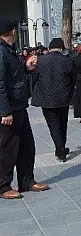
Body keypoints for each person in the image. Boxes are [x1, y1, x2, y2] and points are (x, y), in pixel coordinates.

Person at [0, 18, 49, 199]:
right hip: (9, 109)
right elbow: (0, 83)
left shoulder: (9, 51)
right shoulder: (1, 51)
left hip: (20, 106)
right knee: (7, 149)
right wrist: (4, 111)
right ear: (10, 32)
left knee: (26, 146)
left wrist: (26, 67)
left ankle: (27, 181)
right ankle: (3, 186)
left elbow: (14, 74)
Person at [31, 38, 74, 162]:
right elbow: (73, 78)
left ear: (50, 48)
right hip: (63, 97)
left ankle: (60, 149)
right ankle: (61, 148)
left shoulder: (41, 60)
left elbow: (35, 77)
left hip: (46, 98)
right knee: (63, 123)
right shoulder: (67, 60)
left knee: (53, 125)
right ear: (61, 48)